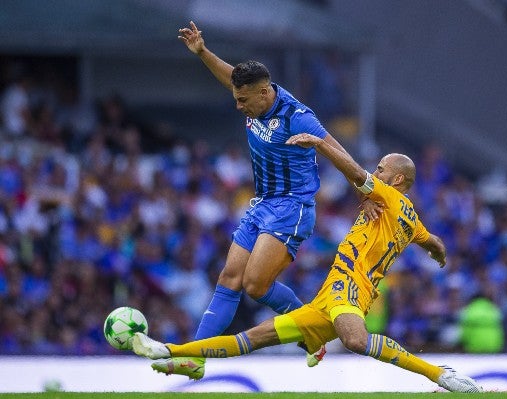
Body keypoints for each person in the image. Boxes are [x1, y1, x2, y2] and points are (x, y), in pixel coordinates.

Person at [130, 133, 483, 393]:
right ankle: (170, 350)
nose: (375, 172)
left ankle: (440, 374)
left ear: (397, 180)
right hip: (325, 300)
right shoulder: (411, 218)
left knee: (357, 341)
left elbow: (356, 173)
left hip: (351, 289)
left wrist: (320, 144)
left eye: (382, 169)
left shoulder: (388, 197)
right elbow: (432, 241)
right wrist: (439, 252)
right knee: (251, 338)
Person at [176, 21, 381, 367]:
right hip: (262, 204)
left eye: (243, 100)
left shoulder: (297, 117)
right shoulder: (250, 94)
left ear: (264, 93)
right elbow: (231, 78)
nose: (238, 106)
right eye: (236, 98)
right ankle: (193, 358)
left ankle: (309, 328)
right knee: (229, 278)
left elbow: (336, 150)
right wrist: (203, 53)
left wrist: (365, 190)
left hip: (292, 206)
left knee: (255, 286)